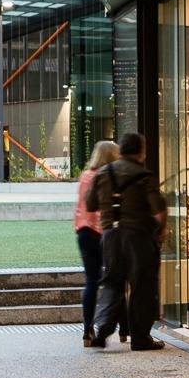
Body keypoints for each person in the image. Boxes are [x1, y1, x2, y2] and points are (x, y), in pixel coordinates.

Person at [85, 131, 167, 352]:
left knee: (112, 283)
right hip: (138, 237)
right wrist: (161, 231)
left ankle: (103, 331)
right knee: (142, 286)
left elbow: (90, 204)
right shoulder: (144, 176)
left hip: (110, 236)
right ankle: (140, 338)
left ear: (121, 150)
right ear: (141, 151)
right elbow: (159, 211)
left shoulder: (103, 173)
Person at [73, 138, 118, 348]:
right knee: (115, 279)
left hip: (83, 231)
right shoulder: (105, 176)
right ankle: (120, 328)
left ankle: (87, 330)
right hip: (102, 232)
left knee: (91, 281)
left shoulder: (85, 176)